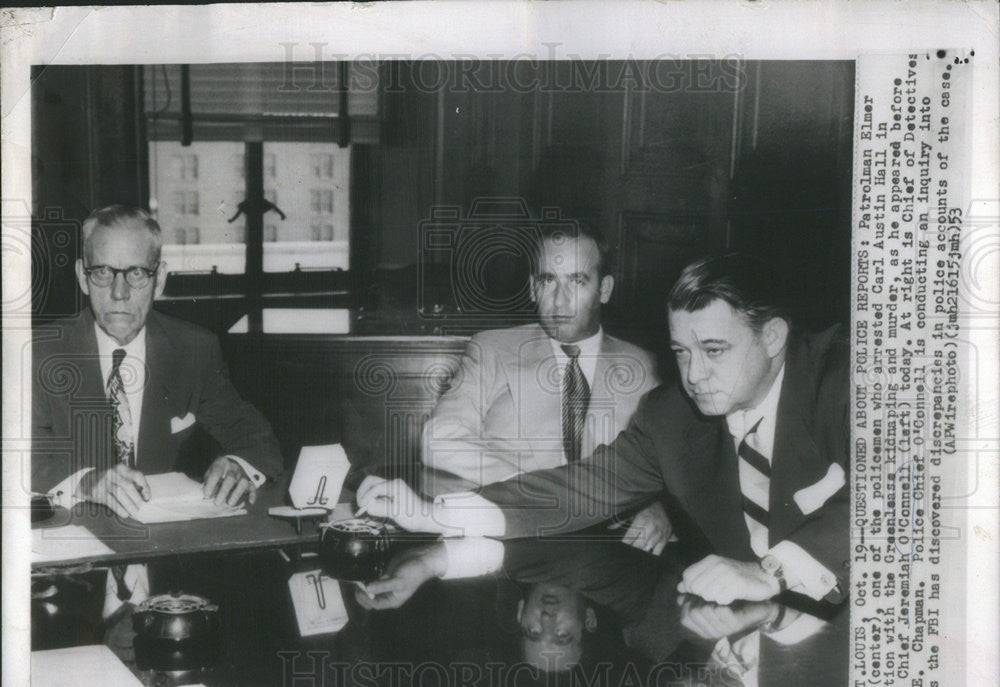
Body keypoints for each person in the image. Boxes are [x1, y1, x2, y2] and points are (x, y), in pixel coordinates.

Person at [359, 251, 849, 613]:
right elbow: (578, 489)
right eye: (681, 352)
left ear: (773, 337)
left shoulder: (852, 383)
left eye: (714, 350)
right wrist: (433, 515)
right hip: (743, 632)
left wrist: (771, 571)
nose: (694, 375)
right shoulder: (669, 416)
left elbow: (903, 499)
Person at [32, 204, 283, 614]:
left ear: (160, 278)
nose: (119, 293)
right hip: (64, 581)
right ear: (82, 276)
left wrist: (239, 462)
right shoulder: (38, 354)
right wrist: (84, 481)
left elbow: (256, 436)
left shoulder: (192, 349)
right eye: (102, 273)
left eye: (136, 273)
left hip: (164, 576)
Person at [421, 221, 670, 554]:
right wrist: (547, 488)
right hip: (511, 542)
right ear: (532, 288)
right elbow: (438, 439)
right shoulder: (491, 349)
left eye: (578, 280)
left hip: (610, 552)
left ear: (604, 289)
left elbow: (678, 467)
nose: (560, 300)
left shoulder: (647, 368)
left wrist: (661, 507)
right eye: (548, 280)